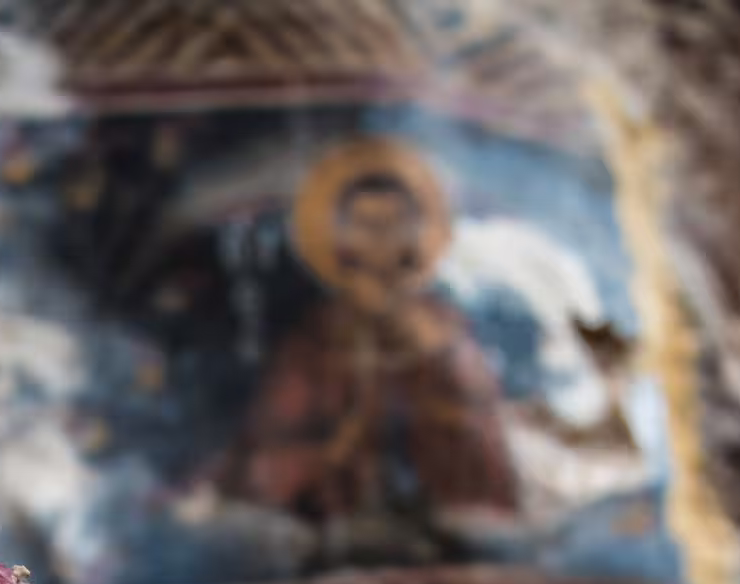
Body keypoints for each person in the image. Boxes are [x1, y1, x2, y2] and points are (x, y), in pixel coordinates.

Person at [215, 139, 520, 527]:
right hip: (330, 522)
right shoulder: (317, 335)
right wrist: (333, 451)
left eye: (395, 224)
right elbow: (273, 445)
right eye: (367, 225)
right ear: (343, 235)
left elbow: (480, 443)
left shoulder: (442, 330)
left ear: (417, 231)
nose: (382, 238)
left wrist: (438, 416)